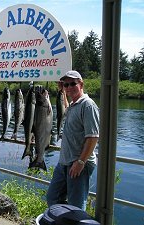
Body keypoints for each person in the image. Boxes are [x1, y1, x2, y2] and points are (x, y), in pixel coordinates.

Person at [46, 70, 100, 211]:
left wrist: (81, 162)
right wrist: (62, 90)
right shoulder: (73, 104)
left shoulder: (87, 105)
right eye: (66, 85)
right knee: (53, 197)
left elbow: (93, 137)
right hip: (64, 162)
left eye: (72, 84)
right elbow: (65, 101)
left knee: (75, 206)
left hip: (78, 163)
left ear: (81, 84)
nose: (69, 87)